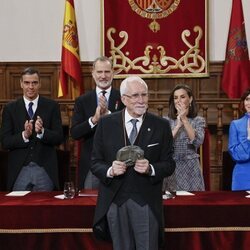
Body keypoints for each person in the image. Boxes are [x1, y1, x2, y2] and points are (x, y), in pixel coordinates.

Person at [91, 76, 176, 250]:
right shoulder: (106, 124)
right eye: (135, 95)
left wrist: (151, 168)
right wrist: (110, 170)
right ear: (123, 99)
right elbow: (95, 162)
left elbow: (169, 164)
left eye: (144, 95)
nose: (141, 100)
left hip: (146, 200)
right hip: (115, 199)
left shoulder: (161, 125)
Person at [0, 67, 63, 191]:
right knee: (19, 209)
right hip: (19, 170)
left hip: (45, 170)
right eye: (27, 83)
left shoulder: (52, 106)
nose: (31, 87)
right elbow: (5, 142)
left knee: (45, 209)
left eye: (34, 83)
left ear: (39, 84)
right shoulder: (10, 108)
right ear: (21, 84)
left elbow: (59, 138)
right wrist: (24, 135)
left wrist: (42, 132)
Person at [70, 56, 124, 189]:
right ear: (93, 74)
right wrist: (94, 120)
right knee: (90, 204)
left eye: (107, 72)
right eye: (99, 72)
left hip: (118, 164)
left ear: (112, 73)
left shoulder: (123, 98)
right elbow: (75, 133)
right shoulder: (82, 101)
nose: (103, 76)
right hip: (91, 164)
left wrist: (109, 116)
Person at [163, 83, 205, 191]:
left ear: (190, 99)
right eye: (175, 98)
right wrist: (177, 126)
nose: (178, 100)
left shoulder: (198, 120)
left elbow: (197, 142)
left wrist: (185, 120)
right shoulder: (165, 121)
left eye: (182, 97)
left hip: (191, 168)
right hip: (172, 168)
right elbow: (164, 144)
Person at [228, 88, 250, 191]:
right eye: (247, 99)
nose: (249, 103)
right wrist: (248, 139)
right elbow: (236, 155)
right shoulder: (235, 124)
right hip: (242, 175)